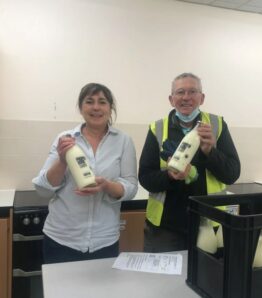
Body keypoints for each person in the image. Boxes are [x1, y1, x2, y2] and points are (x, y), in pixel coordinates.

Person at [33, 83, 138, 264]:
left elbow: (131, 187)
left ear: (110, 108)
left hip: (104, 241)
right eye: (89, 102)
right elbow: (43, 190)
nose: (96, 107)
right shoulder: (65, 139)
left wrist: (107, 186)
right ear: (81, 108)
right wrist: (63, 160)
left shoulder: (123, 141)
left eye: (102, 102)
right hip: (61, 239)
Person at [139, 73, 240, 252]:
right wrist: (169, 176)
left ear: (202, 98)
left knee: (207, 277)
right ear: (171, 99)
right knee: (161, 279)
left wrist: (210, 152)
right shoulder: (157, 128)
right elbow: (145, 178)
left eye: (192, 91)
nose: (186, 97)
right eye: (180, 92)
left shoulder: (217, 125)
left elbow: (232, 174)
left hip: (209, 223)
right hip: (165, 226)